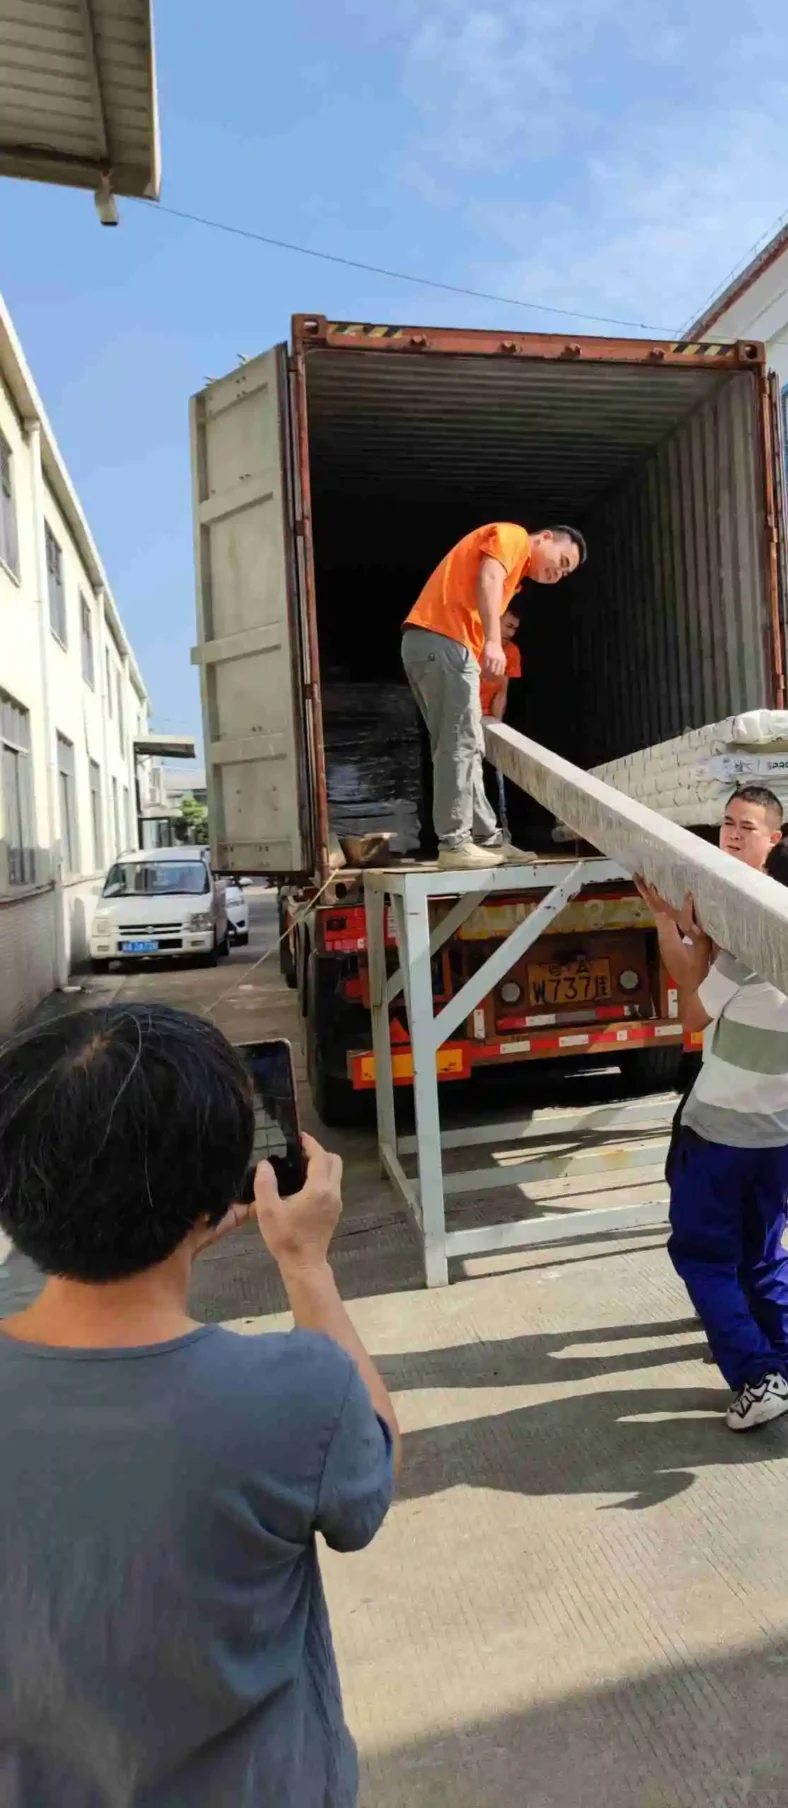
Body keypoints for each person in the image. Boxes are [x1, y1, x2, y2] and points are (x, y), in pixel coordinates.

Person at [0, 1004, 398, 1808]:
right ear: (214, 1187)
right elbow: (370, 1469)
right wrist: (305, 1265)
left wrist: (172, 1232)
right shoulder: (295, 1393)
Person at [639, 796, 788, 1433]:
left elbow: (691, 1012)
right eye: (727, 825)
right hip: (779, 1130)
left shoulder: (756, 945)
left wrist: (672, 925)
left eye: (746, 829)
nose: (731, 837)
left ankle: (755, 1377)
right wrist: (679, 924)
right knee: (764, 1254)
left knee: (705, 1256)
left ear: (773, 848)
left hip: (722, 1129)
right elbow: (700, 981)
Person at [402, 522, 583, 869]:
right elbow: (488, 578)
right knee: (458, 743)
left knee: (468, 744)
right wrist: (493, 642)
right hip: (444, 640)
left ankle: (488, 839)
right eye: (561, 561)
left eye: (564, 575)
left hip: (444, 646)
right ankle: (454, 843)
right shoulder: (513, 536)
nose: (557, 574)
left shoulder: (516, 575)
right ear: (544, 538)